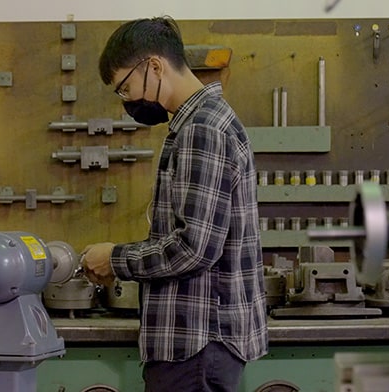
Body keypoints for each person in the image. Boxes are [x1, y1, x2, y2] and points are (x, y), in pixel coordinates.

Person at [82, 16, 268, 392]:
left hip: (196, 344)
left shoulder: (202, 127)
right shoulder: (198, 122)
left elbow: (193, 248)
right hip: (196, 344)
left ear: (154, 66)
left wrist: (114, 258)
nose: (128, 102)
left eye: (125, 88)